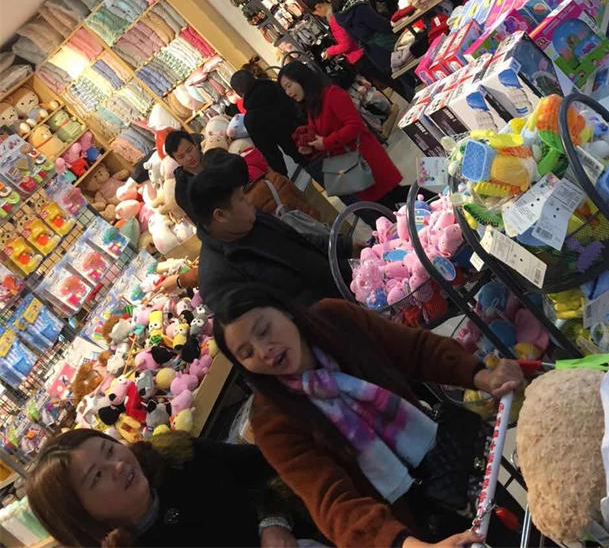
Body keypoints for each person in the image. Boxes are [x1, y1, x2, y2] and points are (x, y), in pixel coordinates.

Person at [213, 285, 525, 548]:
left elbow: (414, 349)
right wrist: (408, 545)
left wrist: (480, 375)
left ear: (285, 311)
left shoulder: (335, 320)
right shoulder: (272, 422)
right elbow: (333, 503)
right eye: (246, 353)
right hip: (401, 525)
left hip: (452, 464)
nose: (264, 351)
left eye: (264, 330)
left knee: (520, 532)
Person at [26, 428, 309, 547]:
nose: (119, 466)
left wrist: (274, 522)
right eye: (97, 476)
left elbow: (266, 467)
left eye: (110, 450)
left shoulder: (180, 457)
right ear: (79, 513)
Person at [188, 153, 348, 312]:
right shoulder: (219, 279)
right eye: (241, 198)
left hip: (343, 287)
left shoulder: (252, 218)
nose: (249, 200)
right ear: (220, 215)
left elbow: (298, 240)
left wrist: (345, 246)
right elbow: (270, 321)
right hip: (327, 320)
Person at [278, 60, 408, 216]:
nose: (288, 92)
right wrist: (312, 147)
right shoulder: (312, 106)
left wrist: (326, 142)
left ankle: (428, 210)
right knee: (389, 203)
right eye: (285, 89)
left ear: (302, 79)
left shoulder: (332, 94)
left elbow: (355, 126)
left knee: (392, 200)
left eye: (289, 85)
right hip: (350, 165)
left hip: (365, 159)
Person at [328, 0, 416, 98]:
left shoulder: (339, 12)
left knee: (403, 80)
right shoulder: (357, 6)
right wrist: (397, 25)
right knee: (411, 73)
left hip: (374, 53)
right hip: (387, 45)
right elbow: (380, 24)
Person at [230, 69, 303, 176]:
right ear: (253, 77)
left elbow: (269, 151)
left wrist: (281, 175)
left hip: (298, 149)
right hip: (316, 129)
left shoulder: (251, 119)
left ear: (239, 93)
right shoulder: (277, 86)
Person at [164, 129, 203, 221]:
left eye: (189, 150)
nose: (189, 158)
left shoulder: (214, 159)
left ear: (195, 144)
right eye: (181, 157)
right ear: (176, 160)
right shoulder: (183, 190)